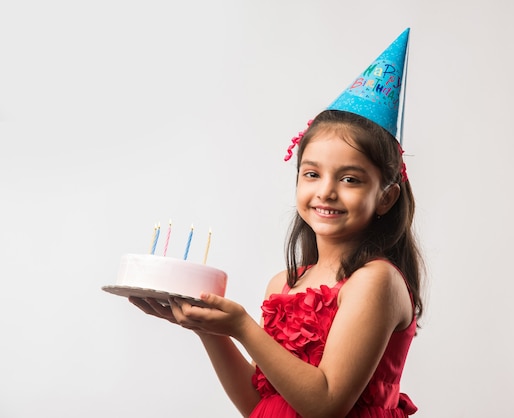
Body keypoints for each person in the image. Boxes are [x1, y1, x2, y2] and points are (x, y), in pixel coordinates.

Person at [130, 28, 425, 418]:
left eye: (350, 179)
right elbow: (261, 404)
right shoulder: (285, 282)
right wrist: (208, 330)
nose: (327, 191)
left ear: (386, 196)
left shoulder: (375, 281)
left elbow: (325, 405)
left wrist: (243, 327)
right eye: (312, 174)